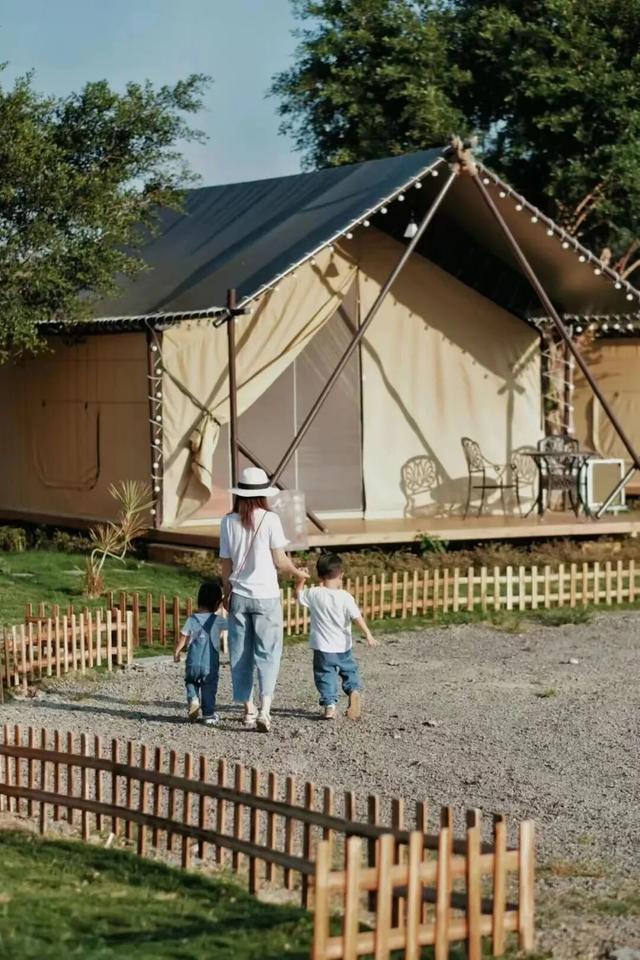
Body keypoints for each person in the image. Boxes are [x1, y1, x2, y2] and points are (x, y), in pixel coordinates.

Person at [220, 467, 308, 733]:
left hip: (240, 596)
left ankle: (247, 710)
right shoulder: (270, 519)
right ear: (262, 495)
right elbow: (280, 561)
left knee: (240, 654)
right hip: (266, 596)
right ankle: (265, 711)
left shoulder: (227, 521)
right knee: (268, 654)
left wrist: (226, 593)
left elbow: (225, 564)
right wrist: (298, 572)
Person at [295, 553, 376, 720]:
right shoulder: (345, 596)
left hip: (323, 647)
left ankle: (330, 706)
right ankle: (353, 690)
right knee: (349, 669)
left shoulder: (314, 593)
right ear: (341, 575)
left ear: (319, 575)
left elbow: (299, 595)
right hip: (343, 646)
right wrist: (367, 634)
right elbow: (356, 617)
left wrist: (301, 579)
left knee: (325, 675)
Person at [174, 581, 227, 726]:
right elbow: (235, 626)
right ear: (217, 603)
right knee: (209, 687)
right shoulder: (218, 620)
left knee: (191, 681)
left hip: (192, 662)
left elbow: (183, 638)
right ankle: (208, 715)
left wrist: (177, 652)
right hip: (209, 665)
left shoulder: (191, 619)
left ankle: (193, 699)